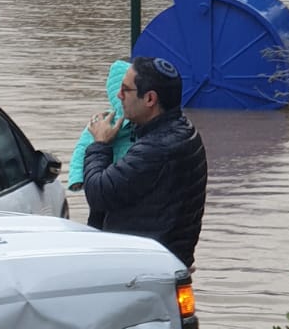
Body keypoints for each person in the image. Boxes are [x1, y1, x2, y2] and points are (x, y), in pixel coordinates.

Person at [83, 56, 207, 268]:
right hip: (166, 260)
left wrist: (100, 144)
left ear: (150, 99)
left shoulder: (155, 149)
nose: (118, 95)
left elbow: (98, 192)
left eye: (125, 89)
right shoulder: (185, 131)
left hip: (142, 268)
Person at [67, 60, 131, 192]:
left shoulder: (143, 123)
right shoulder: (102, 122)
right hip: (107, 177)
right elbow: (82, 149)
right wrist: (77, 177)